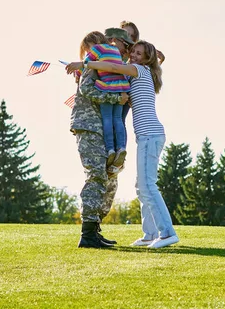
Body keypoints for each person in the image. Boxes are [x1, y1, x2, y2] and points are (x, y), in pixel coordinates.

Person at [66, 40, 178, 249]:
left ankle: (167, 233)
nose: (133, 56)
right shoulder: (141, 73)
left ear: (145, 59)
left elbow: (113, 67)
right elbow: (119, 74)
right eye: (132, 52)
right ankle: (149, 233)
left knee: (148, 185)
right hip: (148, 136)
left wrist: (85, 64)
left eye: (138, 53)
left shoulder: (138, 69)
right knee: (141, 185)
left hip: (150, 135)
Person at [70, 66, 128, 248]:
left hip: (101, 130)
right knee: (95, 176)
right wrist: (116, 98)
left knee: (108, 179)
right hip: (89, 127)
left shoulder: (103, 67)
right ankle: (87, 234)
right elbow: (86, 89)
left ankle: (94, 230)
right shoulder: (92, 66)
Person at [78, 31, 134, 169]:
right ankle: (121, 147)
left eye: (87, 48)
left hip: (107, 87)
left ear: (94, 42)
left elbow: (86, 62)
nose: (88, 51)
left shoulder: (97, 49)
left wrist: (77, 71)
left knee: (107, 119)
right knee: (118, 120)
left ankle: (110, 150)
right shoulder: (115, 49)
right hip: (120, 88)